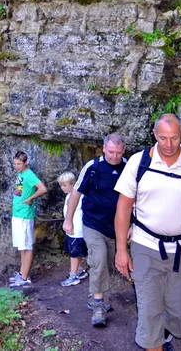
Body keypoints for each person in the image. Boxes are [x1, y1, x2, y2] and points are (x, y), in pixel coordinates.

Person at [114, 113, 181, 351]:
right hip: (145, 244)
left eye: (174, 138)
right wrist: (121, 249)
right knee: (149, 309)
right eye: (163, 138)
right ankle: (155, 340)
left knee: (179, 308)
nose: (168, 144)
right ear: (155, 135)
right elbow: (123, 207)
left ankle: (165, 334)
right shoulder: (139, 162)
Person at [64, 133, 127, 327]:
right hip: (92, 223)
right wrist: (68, 219)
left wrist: (132, 224)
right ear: (103, 148)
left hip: (116, 227)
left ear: (123, 150)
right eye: (111, 152)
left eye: (118, 152)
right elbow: (76, 193)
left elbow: (137, 197)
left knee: (105, 264)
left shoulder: (129, 167)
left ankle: (97, 296)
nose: (114, 156)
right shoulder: (93, 167)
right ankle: (98, 304)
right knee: (98, 259)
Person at [9, 151, 48, 287]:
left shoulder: (29, 175)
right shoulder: (21, 174)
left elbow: (43, 189)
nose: (16, 166)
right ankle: (21, 273)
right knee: (22, 246)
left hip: (25, 215)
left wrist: (31, 199)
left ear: (26, 163)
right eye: (15, 163)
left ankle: (25, 278)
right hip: (18, 213)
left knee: (27, 246)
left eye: (19, 164)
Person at [58, 171, 88, 288]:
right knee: (75, 251)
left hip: (77, 229)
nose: (62, 188)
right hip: (72, 229)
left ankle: (73, 275)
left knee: (74, 254)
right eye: (61, 185)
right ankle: (80, 270)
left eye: (65, 185)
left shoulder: (79, 196)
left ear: (72, 184)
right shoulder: (69, 195)